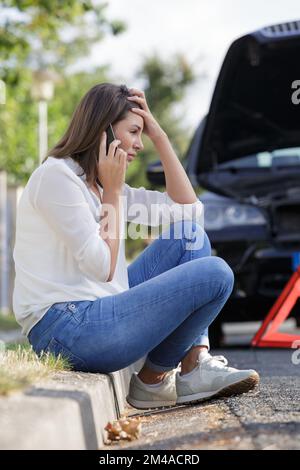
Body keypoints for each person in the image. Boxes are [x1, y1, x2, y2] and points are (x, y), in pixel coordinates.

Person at [13, 83, 259, 410]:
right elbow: (100, 267)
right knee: (215, 273)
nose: (140, 144)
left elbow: (190, 211)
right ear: (104, 132)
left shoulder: (102, 185)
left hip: (99, 312)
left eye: (144, 134)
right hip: (66, 330)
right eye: (134, 131)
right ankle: (163, 376)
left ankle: (181, 371)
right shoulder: (57, 178)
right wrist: (113, 194)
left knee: (189, 237)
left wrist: (161, 137)